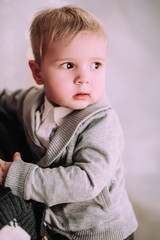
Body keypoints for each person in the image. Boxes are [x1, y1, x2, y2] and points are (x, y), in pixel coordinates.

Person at [0, 5, 138, 240]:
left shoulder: (101, 123)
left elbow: (85, 182)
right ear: (38, 72)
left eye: (96, 65)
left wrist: (15, 175)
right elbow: (5, 99)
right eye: (68, 65)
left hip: (100, 230)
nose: (84, 78)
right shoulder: (32, 102)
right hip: (58, 225)